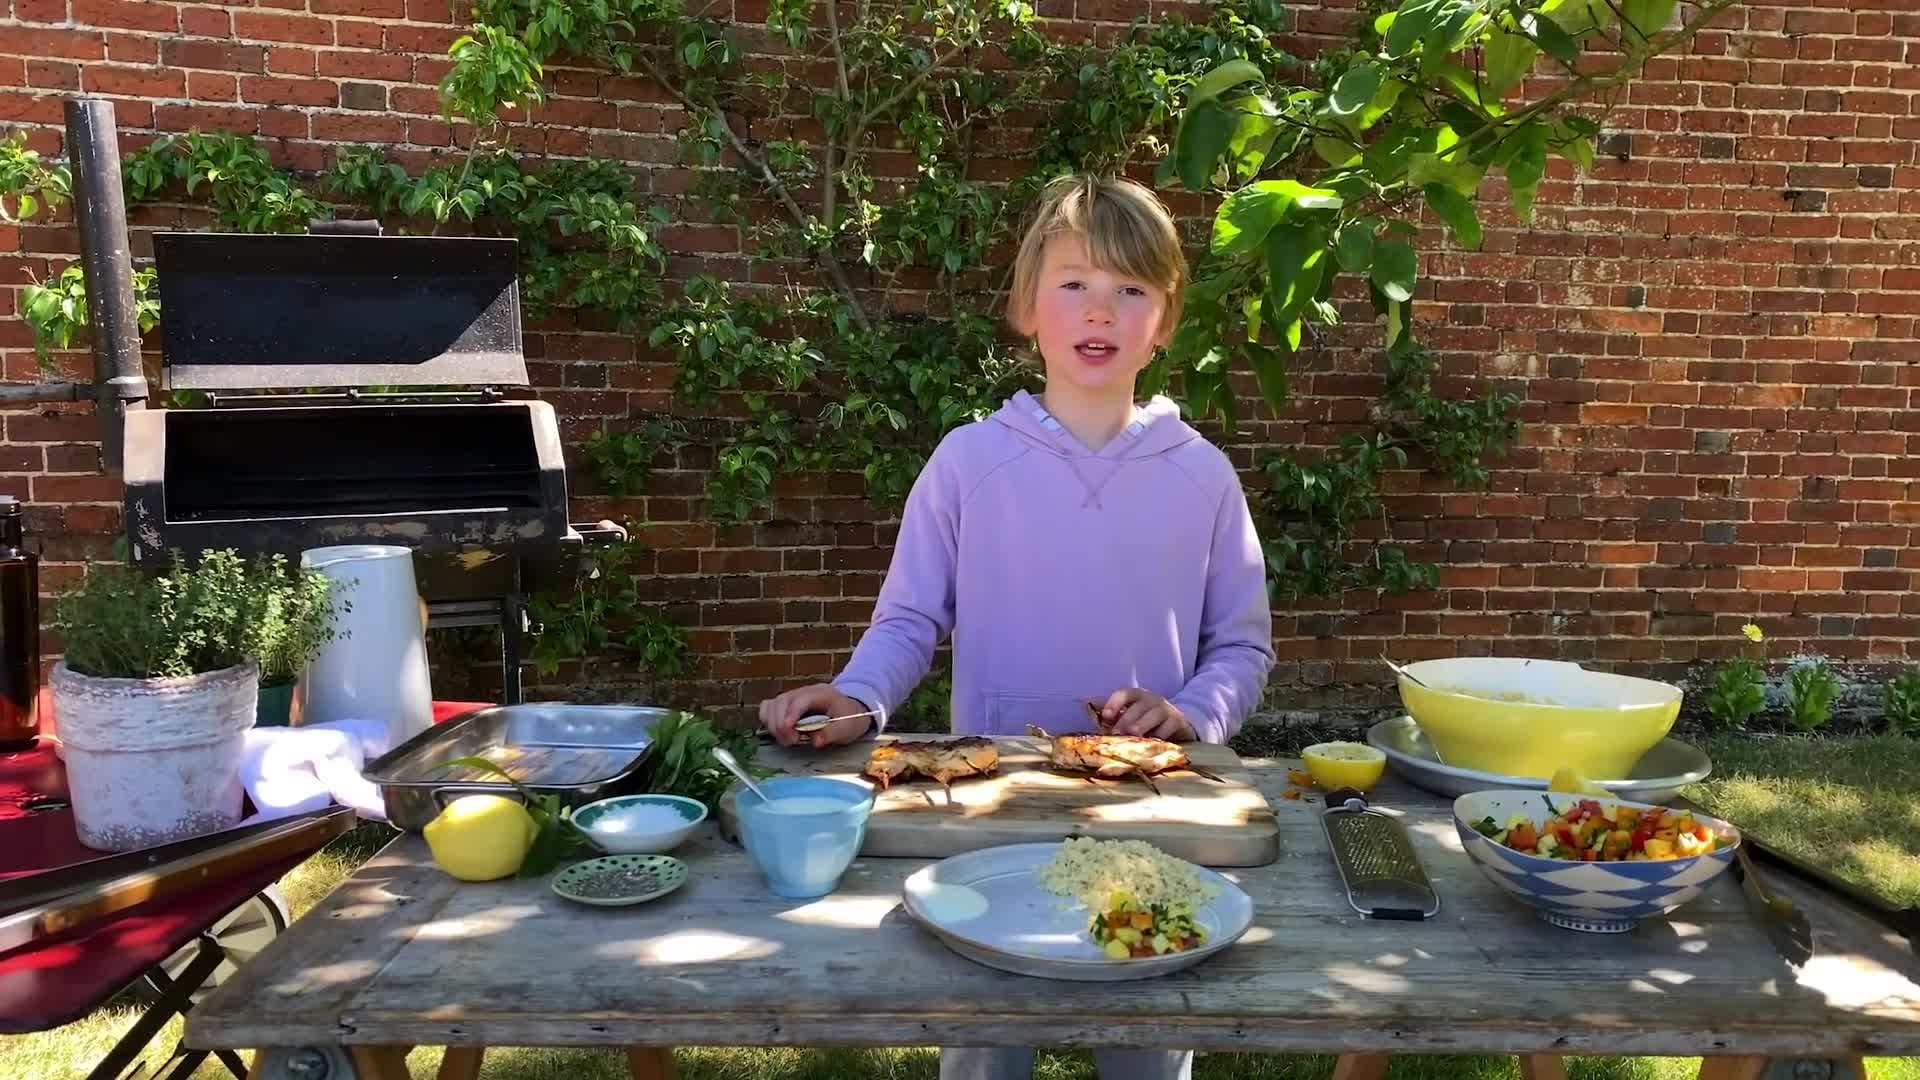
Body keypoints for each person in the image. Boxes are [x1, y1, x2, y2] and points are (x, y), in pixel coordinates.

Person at [758, 173, 1276, 1080]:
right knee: (984, 1039)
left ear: (1164, 322)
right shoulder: (968, 462)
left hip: (1150, 814)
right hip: (989, 812)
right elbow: (910, 619)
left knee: (1148, 1045)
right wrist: (857, 696)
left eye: (1131, 288)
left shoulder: (1204, 476)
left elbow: (1242, 645)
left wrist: (1192, 713)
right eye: (1074, 282)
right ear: (1028, 306)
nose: (1100, 309)